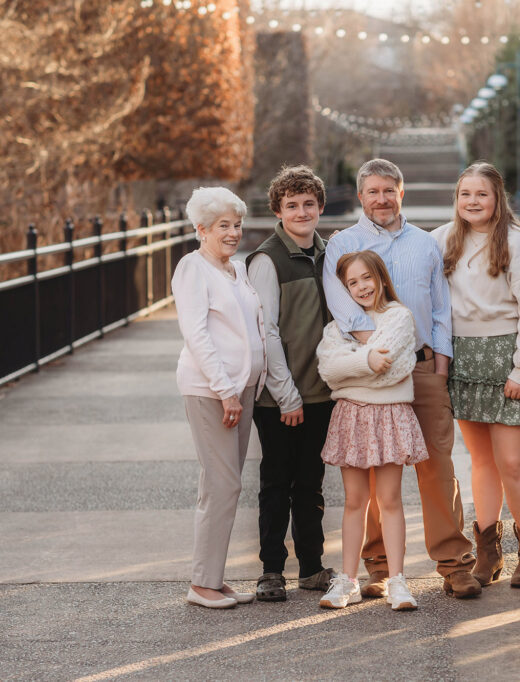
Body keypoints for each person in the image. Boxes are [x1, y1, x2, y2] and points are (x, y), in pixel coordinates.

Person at [322, 159, 481, 599]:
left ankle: (453, 563)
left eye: (389, 190)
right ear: (360, 196)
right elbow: (346, 313)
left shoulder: (425, 245)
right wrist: (386, 351)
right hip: (372, 374)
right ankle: (377, 567)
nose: (381, 199)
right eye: (372, 191)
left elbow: (440, 309)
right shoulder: (342, 245)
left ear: (401, 193)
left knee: (437, 466)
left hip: (424, 367)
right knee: (374, 470)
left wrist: (440, 366)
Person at [431, 162, 520, 588]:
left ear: (498, 198)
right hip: (463, 360)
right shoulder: (441, 240)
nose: (473, 202)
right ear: (457, 199)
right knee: (480, 460)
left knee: (512, 462)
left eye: (482, 194)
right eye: (465, 194)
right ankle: (488, 551)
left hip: (508, 360)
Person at [316, 251, 428, 611]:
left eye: (367, 278)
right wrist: (366, 360)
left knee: (390, 500)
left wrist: (354, 367)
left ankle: (396, 580)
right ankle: (347, 580)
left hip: (390, 414)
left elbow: (392, 369)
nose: (361, 287)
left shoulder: (398, 316)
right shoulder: (336, 327)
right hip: (352, 416)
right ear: (343, 289)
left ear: (380, 278)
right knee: (354, 501)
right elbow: (329, 371)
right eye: (352, 282)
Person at [172, 186, 267, 609]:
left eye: (237, 224)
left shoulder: (237, 268)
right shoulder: (193, 268)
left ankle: (213, 577)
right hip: (213, 392)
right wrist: (226, 391)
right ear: (201, 230)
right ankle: (202, 584)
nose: (233, 233)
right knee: (223, 484)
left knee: (222, 484)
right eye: (223, 226)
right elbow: (197, 335)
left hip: (242, 390)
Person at [246, 166, 334, 602]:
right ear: (278, 210)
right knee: (276, 485)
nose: (301, 211)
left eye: (308, 204)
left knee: (311, 484)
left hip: (321, 393)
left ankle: (313, 568)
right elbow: (267, 332)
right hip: (280, 398)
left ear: (320, 207)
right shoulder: (267, 259)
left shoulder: (329, 253)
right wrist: (286, 395)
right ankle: (271, 571)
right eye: (292, 205)